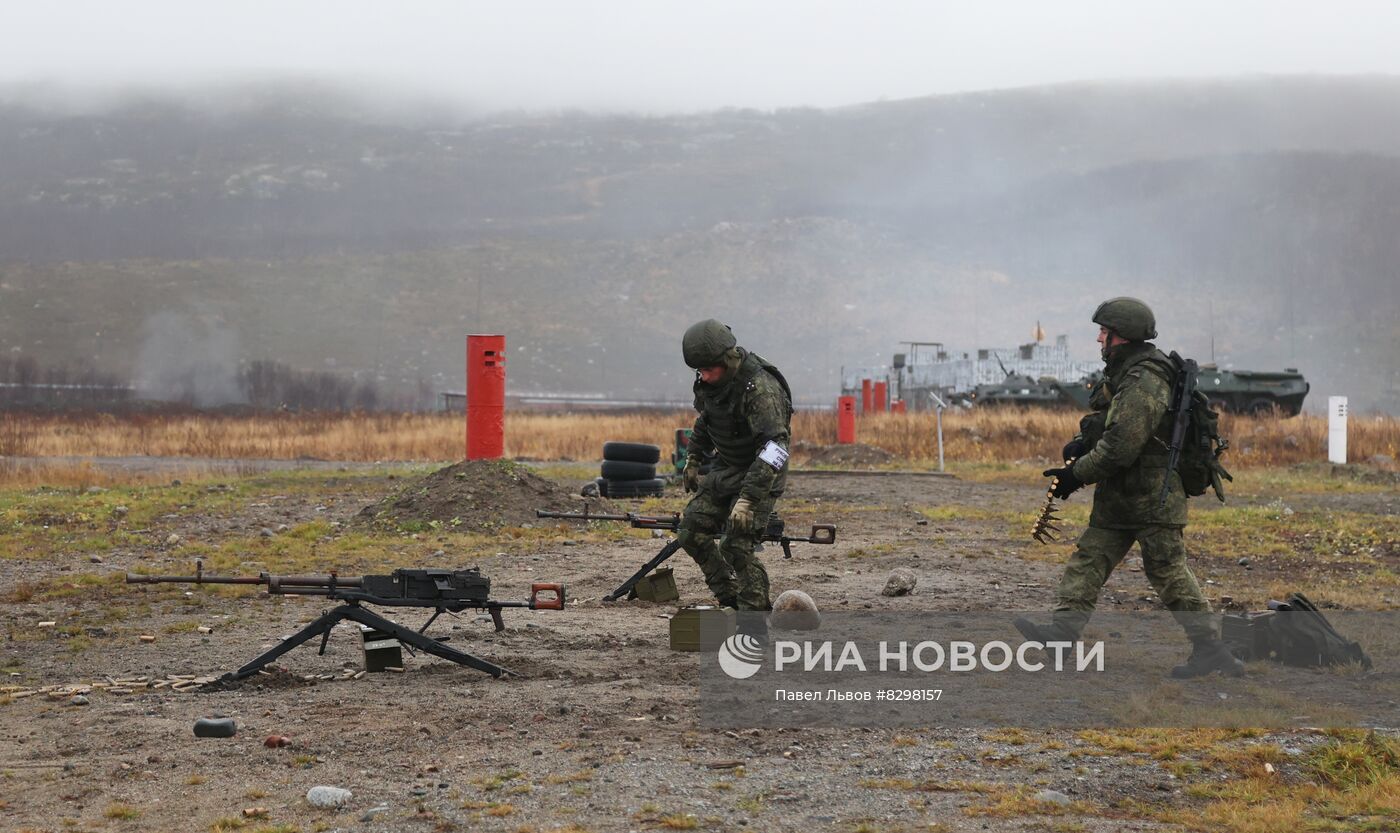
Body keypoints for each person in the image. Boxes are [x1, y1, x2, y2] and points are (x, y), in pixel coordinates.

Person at [1014, 297, 1243, 678]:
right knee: (1088, 559)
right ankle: (1061, 636)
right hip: (1121, 495)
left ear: (1121, 336)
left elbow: (1122, 446)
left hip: (1152, 495)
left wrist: (1076, 474)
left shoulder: (1145, 380)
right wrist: (1082, 442)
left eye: (1104, 332)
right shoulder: (1125, 373)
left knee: (1168, 572)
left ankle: (1211, 651)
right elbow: (1108, 422)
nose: (1099, 338)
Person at [676, 319, 793, 612]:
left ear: (727, 360)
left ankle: (754, 612)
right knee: (691, 531)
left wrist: (749, 500)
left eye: (708, 369)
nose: (703, 376)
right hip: (728, 471)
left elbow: (775, 450)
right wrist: (693, 458)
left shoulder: (760, 390)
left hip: (762, 476)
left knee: (735, 544)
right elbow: (707, 420)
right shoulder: (713, 383)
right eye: (699, 371)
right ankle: (728, 596)